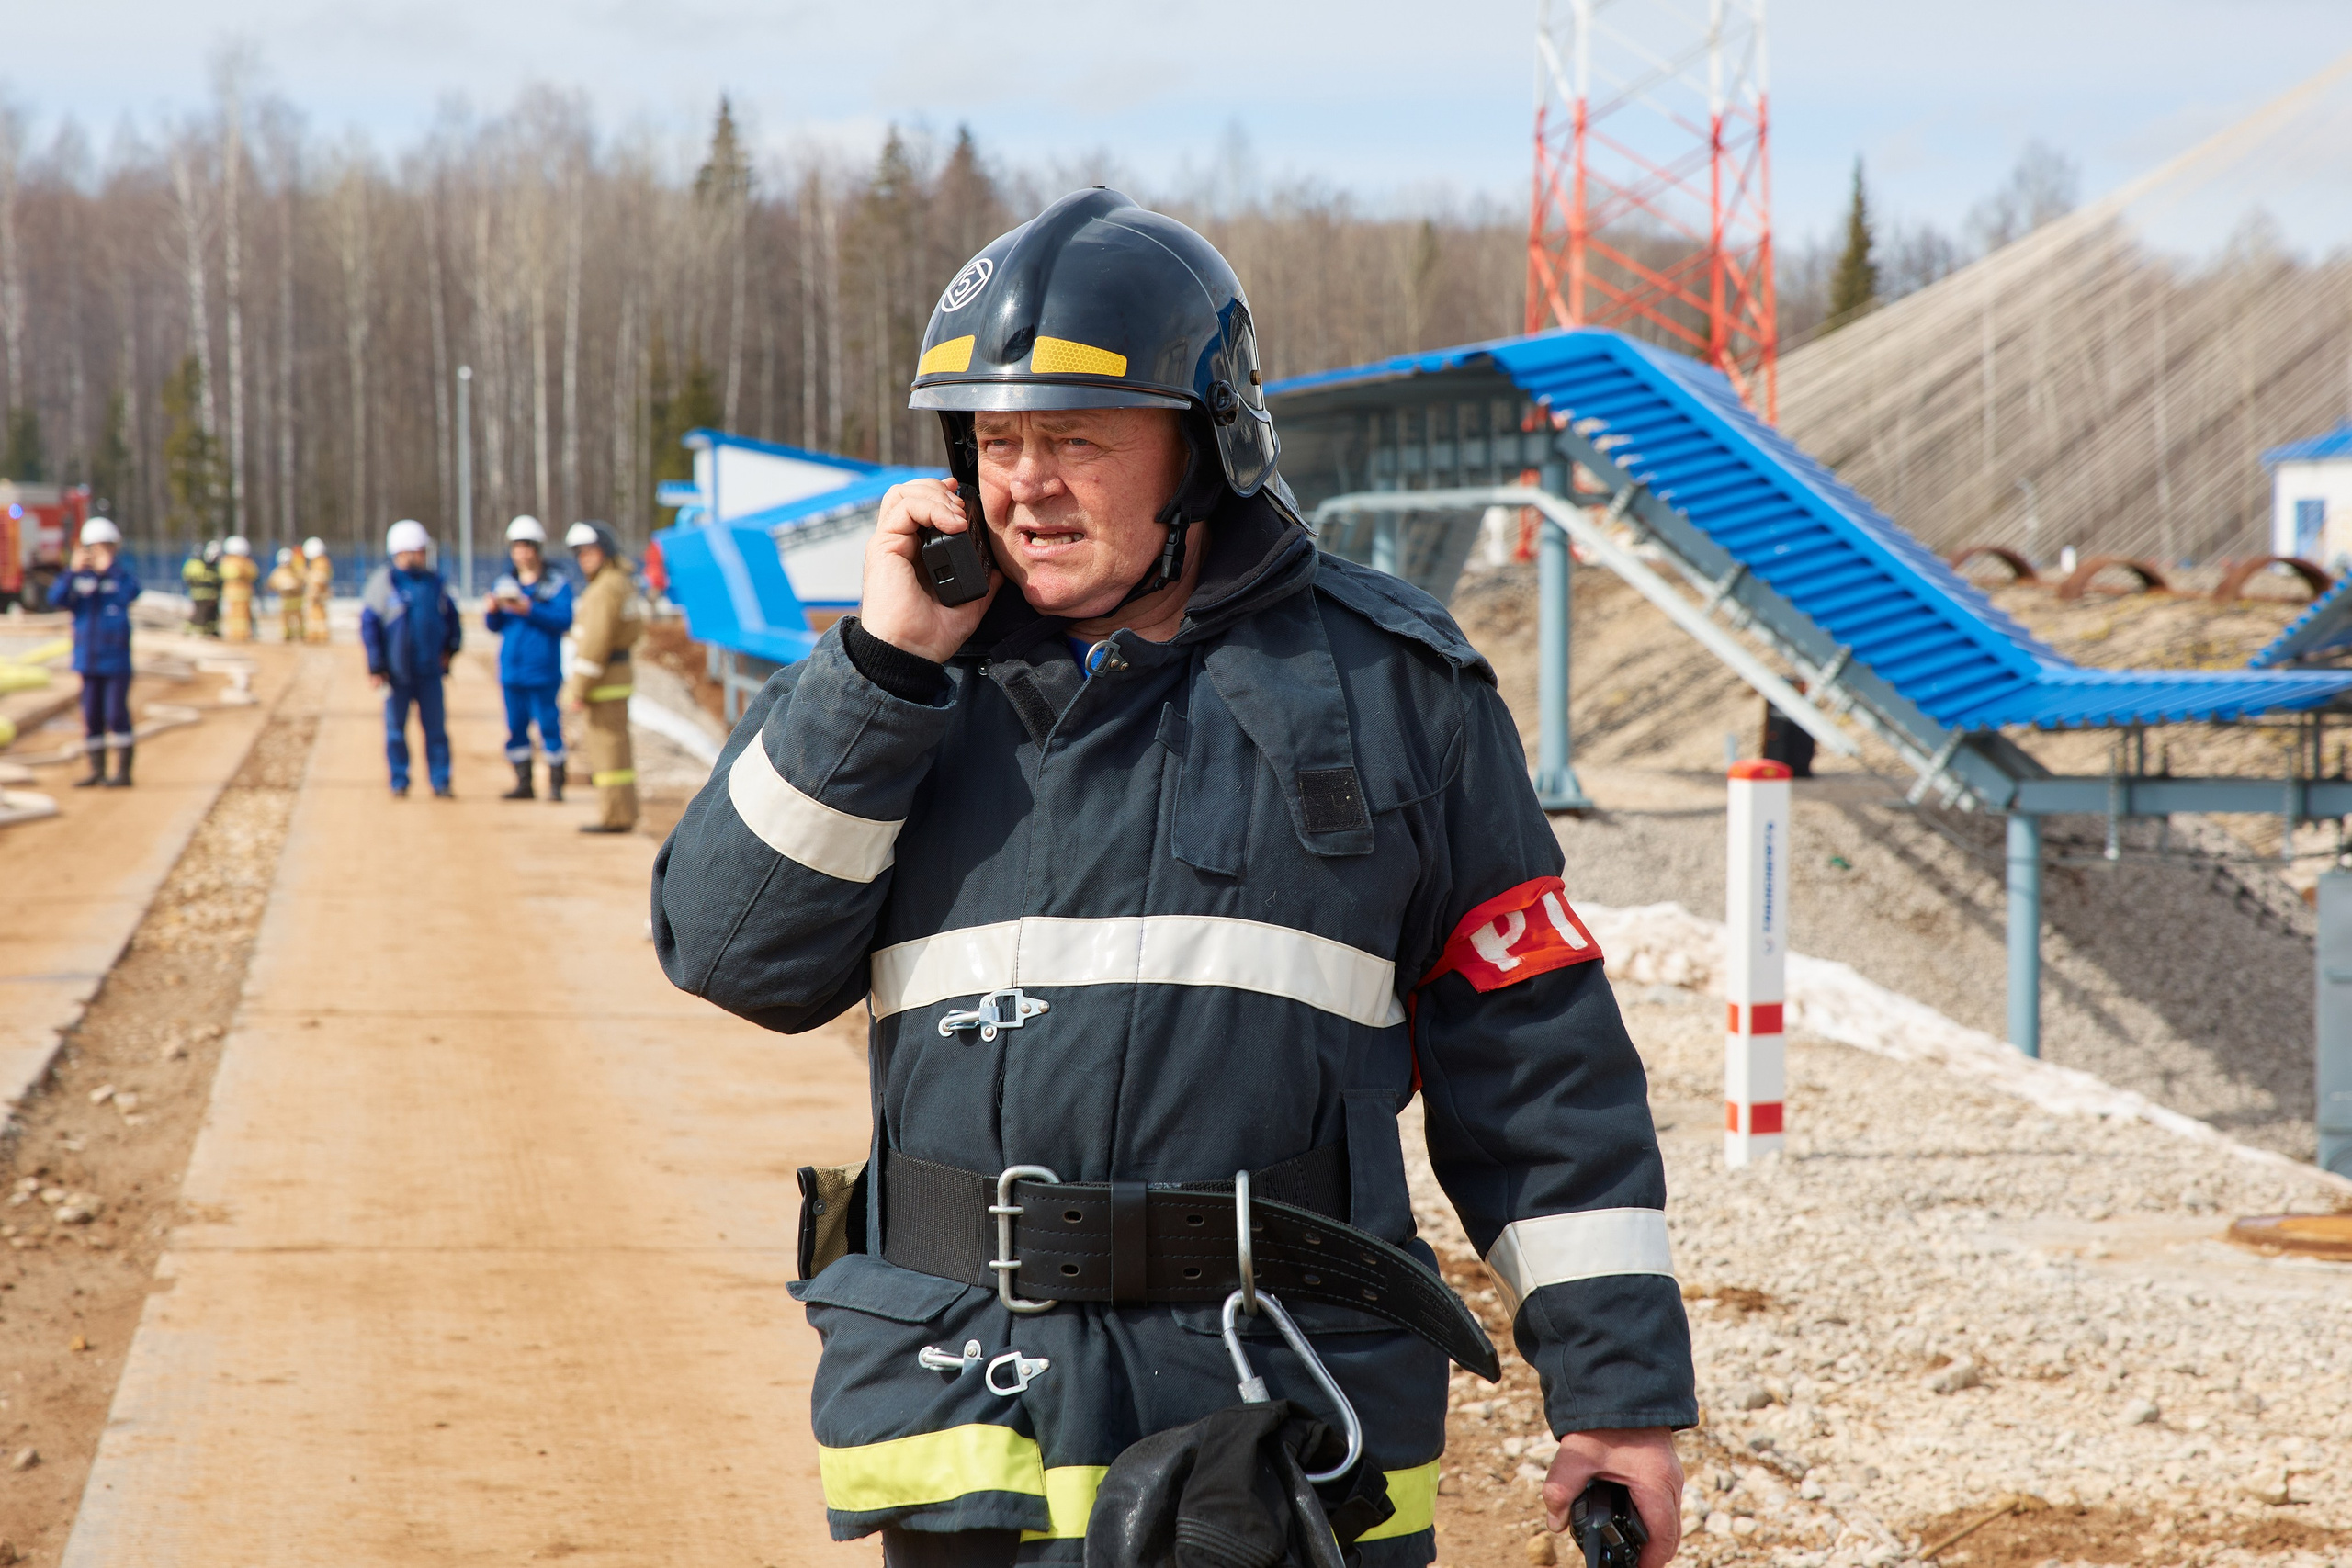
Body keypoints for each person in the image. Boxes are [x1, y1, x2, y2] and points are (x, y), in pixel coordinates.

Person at [650, 188, 1694, 1568]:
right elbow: (735, 955)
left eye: (1076, 437)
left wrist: (1617, 1394)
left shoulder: (1394, 687)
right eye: (997, 439)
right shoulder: (896, 685)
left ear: (1207, 447)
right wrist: (884, 671)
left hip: (1280, 1424)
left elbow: (1535, 1056)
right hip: (970, 1426)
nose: (1026, 482)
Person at [359, 519, 461, 799]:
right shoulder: (384, 584)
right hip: (396, 674)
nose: (424, 556)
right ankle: (399, 780)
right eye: (419, 550)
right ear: (402, 552)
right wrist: (376, 665)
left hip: (429, 673)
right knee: (395, 732)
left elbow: (452, 620)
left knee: (436, 732)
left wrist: (450, 650)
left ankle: (441, 781)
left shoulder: (435, 583)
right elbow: (369, 627)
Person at [484, 515, 573, 802]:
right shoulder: (505, 583)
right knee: (516, 729)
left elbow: (563, 619)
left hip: (543, 672)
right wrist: (493, 611)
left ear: (537, 549)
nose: (521, 554)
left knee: (549, 727)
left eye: (526, 547)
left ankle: (556, 784)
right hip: (512, 672)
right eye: (516, 547)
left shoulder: (556, 584)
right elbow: (494, 627)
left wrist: (529, 609)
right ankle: (524, 783)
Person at [562, 521, 641, 834]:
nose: (584, 559)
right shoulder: (621, 582)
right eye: (580, 553)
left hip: (604, 683)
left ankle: (615, 816)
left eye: (590, 552)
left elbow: (594, 645)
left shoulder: (604, 589)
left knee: (608, 754)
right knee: (617, 751)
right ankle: (622, 812)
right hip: (615, 680)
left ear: (605, 552)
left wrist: (577, 689)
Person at [50, 518, 141, 789]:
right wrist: (71, 572)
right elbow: (56, 599)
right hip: (87, 659)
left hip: (115, 660)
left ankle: (123, 772)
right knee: (92, 717)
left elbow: (132, 593)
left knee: (115, 714)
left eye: (104, 548)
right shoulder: (78, 579)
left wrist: (109, 570)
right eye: (93, 548)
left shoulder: (120, 576)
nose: (97, 553)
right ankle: (97, 770)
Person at [218, 535, 257, 643]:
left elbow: (252, 573)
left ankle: (240, 634)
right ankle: (237, 634)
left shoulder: (228, 561)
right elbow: (232, 573)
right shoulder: (243, 562)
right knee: (237, 614)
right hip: (239, 592)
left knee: (240, 614)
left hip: (237, 592)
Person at [182, 540, 221, 637]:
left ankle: (207, 630)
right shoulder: (201, 566)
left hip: (200, 594)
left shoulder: (192, 564)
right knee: (202, 614)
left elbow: (187, 579)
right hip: (205, 594)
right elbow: (211, 580)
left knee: (205, 613)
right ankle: (202, 631)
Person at [267, 547, 304, 642]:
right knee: (285, 619)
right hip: (285, 600)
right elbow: (272, 583)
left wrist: (294, 585)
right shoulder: (279, 572)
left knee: (298, 618)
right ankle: (286, 635)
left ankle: (300, 634)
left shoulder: (296, 571)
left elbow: (302, 580)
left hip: (296, 600)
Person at [301, 536, 334, 643]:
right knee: (315, 615)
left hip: (318, 594)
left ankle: (319, 635)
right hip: (318, 593)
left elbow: (319, 579)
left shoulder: (320, 563)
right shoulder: (320, 562)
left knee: (318, 615)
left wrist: (313, 592)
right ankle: (315, 634)